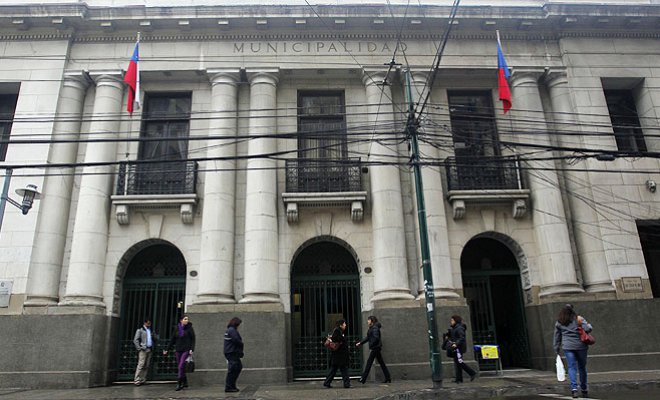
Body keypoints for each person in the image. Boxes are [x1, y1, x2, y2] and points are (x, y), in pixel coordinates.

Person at [553, 304, 593, 398]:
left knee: (571, 367)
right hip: (581, 346)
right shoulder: (578, 319)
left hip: (568, 347)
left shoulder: (560, 322)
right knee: (582, 367)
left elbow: (557, 336)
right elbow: (588, 329)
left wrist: (556, 348)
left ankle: (574, 389)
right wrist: (587, 325)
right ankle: (584, 388)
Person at [163, 314, 195, 391]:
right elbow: (172, 340)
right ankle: (185, 382)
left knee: (181, 366)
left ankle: (179, 383)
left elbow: (193, 339)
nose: (187, 320)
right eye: (185, 319)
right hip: (178, 350)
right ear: (181, 320)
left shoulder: (190, 328)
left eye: (187, 319)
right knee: (181, 367)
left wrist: (192, 349)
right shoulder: (177, 328)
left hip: (186, 349)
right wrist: (167, 349)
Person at [356, 316, 391, 384]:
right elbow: (368, 337)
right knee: (381, 363)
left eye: (368, 320)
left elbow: (376, 338)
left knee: (369, 362)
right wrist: (360, 343)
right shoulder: (372, 328)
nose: (367, 321)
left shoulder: (374, 328)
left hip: (375, 348)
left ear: (372, 321)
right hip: (376, 347)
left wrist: (371, 344)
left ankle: (363, 379)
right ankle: (388, 377)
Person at [443, 315, 477, 384]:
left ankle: (472, 373)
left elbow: (462, 338)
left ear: (456, 321)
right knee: (457, 363)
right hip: (456, 348)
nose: (451, 321)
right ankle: (459, 379)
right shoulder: (455, 328)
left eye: (452, 320)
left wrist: (456, 344)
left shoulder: (459, 328)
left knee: (459, 362)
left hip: (458, 348)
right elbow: (454, 336)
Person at [323, 319, 351, 389]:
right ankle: (346, 384)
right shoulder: (337, 331)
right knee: (343, 369)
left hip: (338, 355)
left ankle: (327, 382)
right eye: (344, 324)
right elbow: (337, 339)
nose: (345, 325)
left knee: (334, 370)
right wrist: (343, 338)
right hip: (339, 355)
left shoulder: (339, 331)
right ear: (341, 325)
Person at [133, 318, 156, 386]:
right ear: (145, 323)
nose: (149, 324)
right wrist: (139, 348)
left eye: (150, 323)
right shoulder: (140, 330)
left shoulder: (150, 330)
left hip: (149, 349)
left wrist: (154, 335)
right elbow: (135, 340)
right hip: (143, 349)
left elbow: (155, 339)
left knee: (146, 365)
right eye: (148, 323)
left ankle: (143, 379)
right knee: (141, 364)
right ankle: (137, 380)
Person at [224, 317, 244, 393]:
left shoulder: (229, 330)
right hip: (232, 352)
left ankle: (231, 385)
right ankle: (229, 386)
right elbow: (236, 340)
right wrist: (241, 345)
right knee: (233, 369)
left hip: (230, 352)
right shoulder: (232, 330)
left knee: (236, 368)